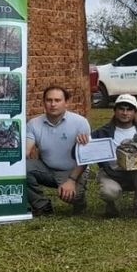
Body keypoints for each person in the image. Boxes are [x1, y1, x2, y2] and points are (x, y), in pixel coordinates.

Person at [92, 94, 137, 221]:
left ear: (135, 112)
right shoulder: (102, 132)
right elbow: (83, 151)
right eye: (121, 109)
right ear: (115, 111)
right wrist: (82, 141)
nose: (125, 113)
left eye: (129, 109)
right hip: (111, 172)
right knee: (109, 192)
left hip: (135, 172)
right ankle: (112, 206)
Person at [25, 86, 92, 216]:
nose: (53, 104)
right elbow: (26, 150)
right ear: (43, 102)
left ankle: (80, 201)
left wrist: (72, 180)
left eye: (57, 100)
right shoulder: (34, 124)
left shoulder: (80, 123)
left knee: (71, 196)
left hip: (73, 171)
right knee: (21, 168)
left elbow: (86, 157)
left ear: (66, 102)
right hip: (47, 168)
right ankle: (42, 206)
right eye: (49, 100)